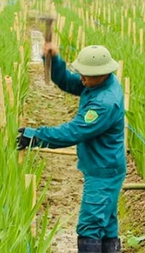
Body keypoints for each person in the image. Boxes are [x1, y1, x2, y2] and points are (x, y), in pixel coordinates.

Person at [17, 44, 125, 253]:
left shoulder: (104, 103)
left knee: (90, 225)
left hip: (103, 171)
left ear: (101, 74)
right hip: (103, 165)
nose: (82, 78)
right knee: (107, 224)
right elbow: (67, 81)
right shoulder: (97, 83)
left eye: (86, 75)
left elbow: (73, 132)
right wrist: (53, 60)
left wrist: (36, 136)